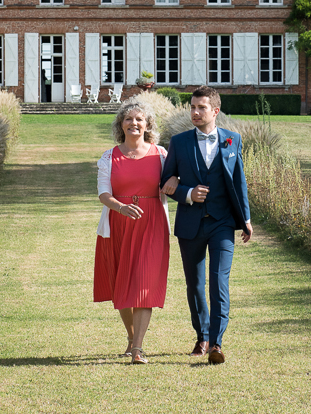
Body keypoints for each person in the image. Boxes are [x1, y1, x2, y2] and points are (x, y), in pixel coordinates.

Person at [160, 86, 252, 364]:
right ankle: (202, 335)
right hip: (191, 224)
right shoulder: (179, 142)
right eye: (192, 107)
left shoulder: (232, 140)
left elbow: (239, 181)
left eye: (201, 107)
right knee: (196, 284)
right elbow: (164, 183)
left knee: (219, 282)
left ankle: (216, 344)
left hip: (223, 223)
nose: (195, 112)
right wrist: (187, 193)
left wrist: (245, 219)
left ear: (215, 111)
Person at [94, 99, 171, 364]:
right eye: (128, 119)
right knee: (121, 287)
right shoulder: (109, 156)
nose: (134, 123)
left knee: (144, 283)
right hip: (118, 224)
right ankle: (130, 336)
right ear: (121, 124)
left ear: (148, 124)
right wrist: (120, 207)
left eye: (139, 119)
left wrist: (175, 181)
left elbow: (175, 180)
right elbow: (103, 193)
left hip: (152, 225)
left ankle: (138, 348)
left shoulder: (161, 155)